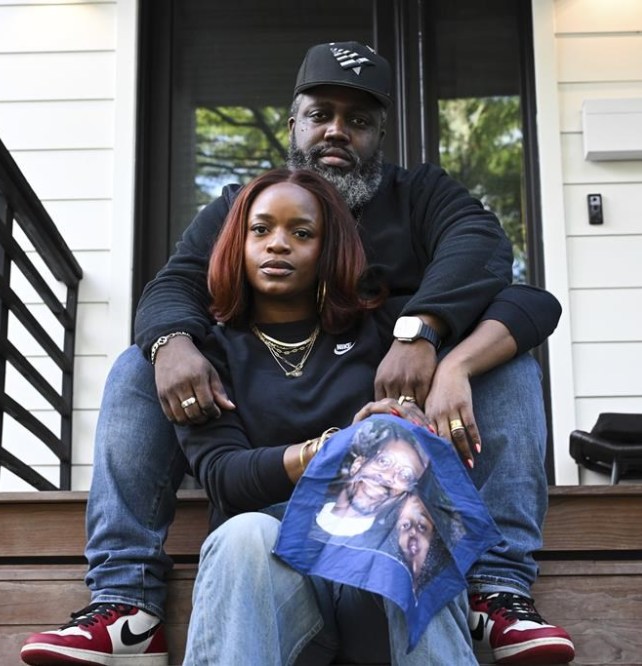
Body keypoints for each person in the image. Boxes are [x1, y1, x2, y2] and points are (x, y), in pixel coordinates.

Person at [20, 41, 573, 666]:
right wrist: (173, 342)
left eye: (358, 119)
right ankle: (126, 598)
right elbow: (175, 288)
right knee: (141, 364)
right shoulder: (240, 220)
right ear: (293, 124)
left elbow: (510, 281)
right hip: (267, 534)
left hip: (385, 477)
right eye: (320, 114)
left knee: (505, 359)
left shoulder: (416, 205)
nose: (337, 130)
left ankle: (495, 589)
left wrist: (434, 346)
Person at [178, 166, 505, 663]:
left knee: (410, 510)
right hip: (275, 588)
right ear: (236, 244)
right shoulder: (208, 356)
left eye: (301, 233)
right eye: (261, 230)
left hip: (372, 584)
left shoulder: (381, 329)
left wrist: (448, 361)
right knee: (243, 533)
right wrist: (339, 449)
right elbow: (225, 477)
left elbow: (531, 303)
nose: (278, 244)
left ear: (328, 249)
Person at [315, 419, 428, 537]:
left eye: (405, 476)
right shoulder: (307, 506)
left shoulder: (391, 545)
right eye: (383, 461)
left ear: (404, 495)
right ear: (357, 464)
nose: (388, 476)